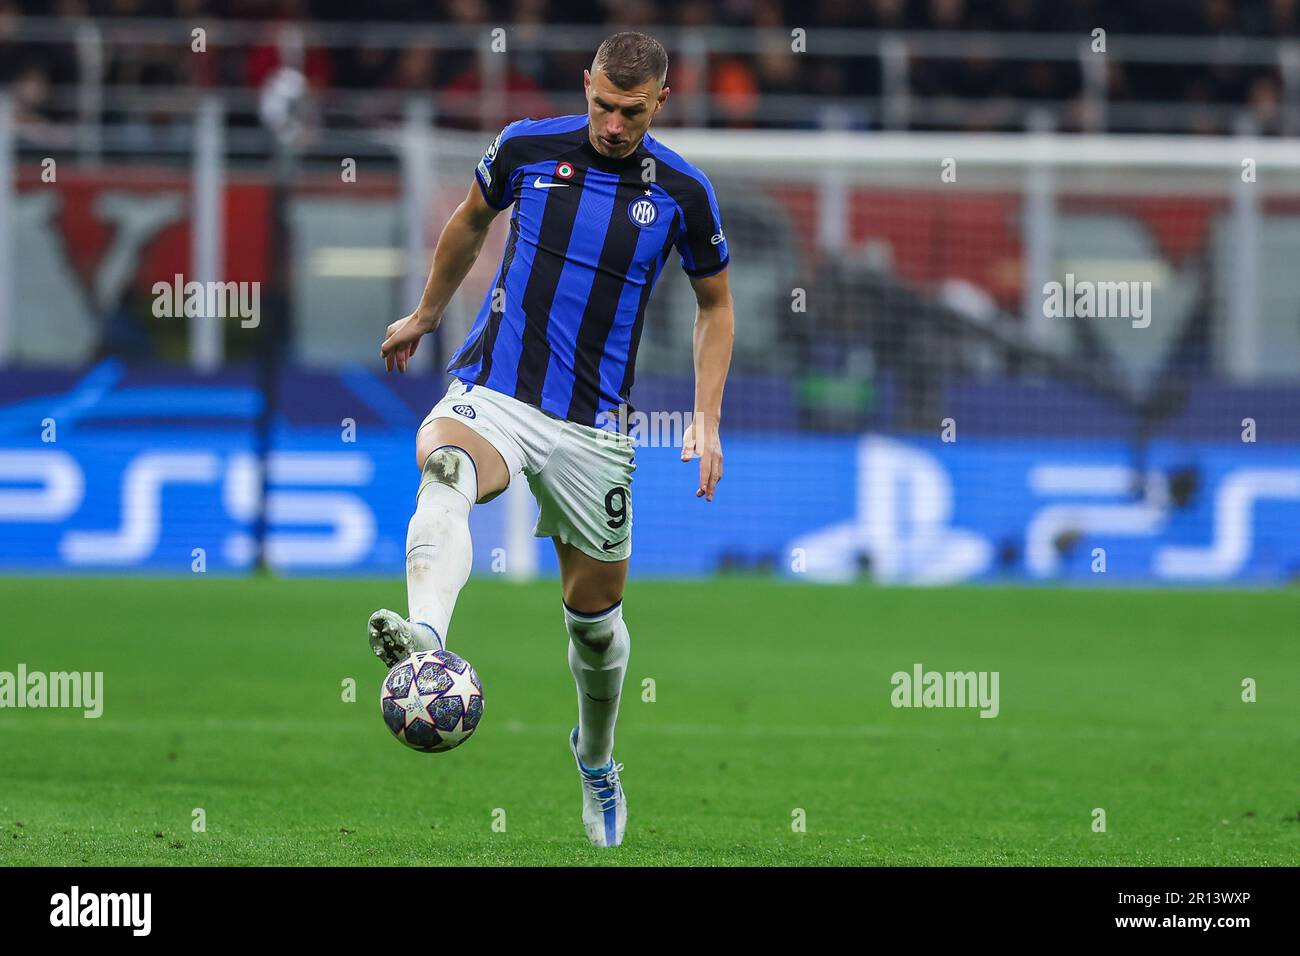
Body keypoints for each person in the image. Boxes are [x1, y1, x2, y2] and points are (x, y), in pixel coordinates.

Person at [368, 31, 734, 848]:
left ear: (661, 103)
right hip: (497, 387)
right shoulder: (527, 147)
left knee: (594, 617)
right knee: (447, 465)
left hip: (594, 426)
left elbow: (716, 306)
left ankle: (596, 761)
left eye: (629, 111)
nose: (611, 122)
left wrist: (706, 417)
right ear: (587, 86)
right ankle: (428, 642)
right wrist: (428, 314)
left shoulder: (683, 191)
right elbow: (468, 223)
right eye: (602, 103)